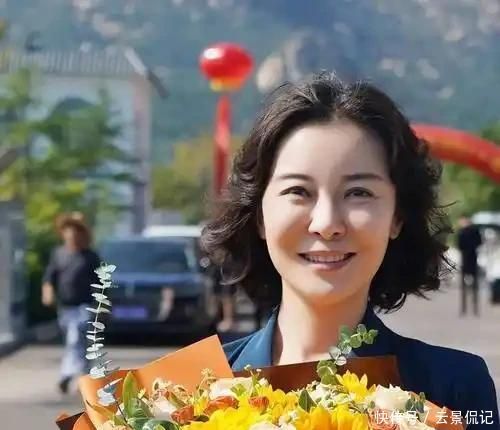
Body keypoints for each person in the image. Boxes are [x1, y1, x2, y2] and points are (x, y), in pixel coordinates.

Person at [201, 73, 499, 429]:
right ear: (260, 217)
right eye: (298, 192)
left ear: (397, 217)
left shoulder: (454, 390)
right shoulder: (189, 394)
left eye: (358, 193)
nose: (327, 223)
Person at [41, 212, 101, 394]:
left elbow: (101, 283)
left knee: (75, 339)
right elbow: (49, 277)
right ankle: (85, 377)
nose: (73, 234)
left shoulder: (90, 257)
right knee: (78, 343)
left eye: (77, 230)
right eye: (69, 230)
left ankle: (66, 375)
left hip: (86, 306)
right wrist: (48, 293)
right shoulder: (59, 254)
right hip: (65, 307)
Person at [456, 215, 483, 316]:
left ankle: (470, 308)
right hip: (469, 261)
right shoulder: (464, 232)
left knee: (471, 287)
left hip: (469, 261)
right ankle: (468, 308)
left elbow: (460, 245)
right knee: (468, 287)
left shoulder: (466, 232)